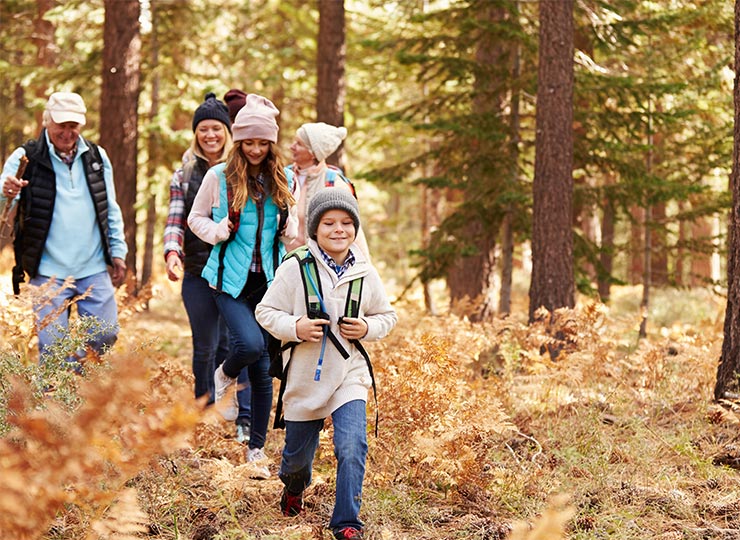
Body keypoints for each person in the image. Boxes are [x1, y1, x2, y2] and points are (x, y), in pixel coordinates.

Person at [255, 189, 397, 540]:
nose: (339, 230)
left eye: (347, 223)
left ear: (355, 228)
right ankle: (293, 488)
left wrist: (367, 327)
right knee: (297, 462)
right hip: (305, 376)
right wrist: (295, 327)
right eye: (329, 223)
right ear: (315, 229)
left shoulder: (365, 272)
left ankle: (347, 522)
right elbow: (265, 312)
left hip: (349, 372)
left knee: (352, 445)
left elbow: (387, 315)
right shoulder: (295, 268)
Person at [188, 93, 297, 478]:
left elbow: (290, 232)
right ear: (238, 142)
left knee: (265, 366)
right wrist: (217, 231)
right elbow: (194, 219)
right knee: (249, 345)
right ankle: (224, 373)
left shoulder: (283, 178)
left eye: (261, 143)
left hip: (268, 280)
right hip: (226, 279)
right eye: (248, 142)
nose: (254, 149)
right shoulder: (219, 176)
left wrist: (292, 234)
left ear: (271, 144)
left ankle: (256, 449)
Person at [0, 92, 127, 367]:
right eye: (61, 125)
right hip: (49, 272)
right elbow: (4, 196)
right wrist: (6, 191)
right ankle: (55, 406)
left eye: (74, 126)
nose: (67, 133)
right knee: (53, 349)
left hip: (92, 266)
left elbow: (111, 208)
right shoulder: (26, 157)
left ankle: (73, 374)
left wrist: (118, 252)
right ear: (47, 121)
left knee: (105, 334)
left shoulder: (96, 156)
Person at [163, 92, 252, 442]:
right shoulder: (184, 173)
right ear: (196, 133)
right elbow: (175, 221)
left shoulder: (241, 168)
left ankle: (235, 412)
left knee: (234, 345)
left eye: (216, 128)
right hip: (198, 270)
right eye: (203, 129)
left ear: (227, 131)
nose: (209, 135)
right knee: (205, 345)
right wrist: (172, 252)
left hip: (235, 271)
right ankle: (203, 413)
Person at [284, 122, 370, 257]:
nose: (292, 147)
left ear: (313, 153)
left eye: (299, 144)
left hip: (316, 269)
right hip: (282, 266)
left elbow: (353, 231)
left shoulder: (335, 184)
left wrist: (365, 270)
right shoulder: (283, 177)